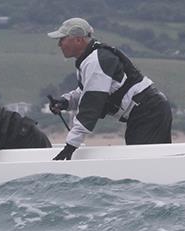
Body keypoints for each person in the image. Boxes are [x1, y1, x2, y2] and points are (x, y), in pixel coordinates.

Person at [47, 17, 173, 160]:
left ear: (78, 39)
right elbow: (85, 92)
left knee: (143, 164)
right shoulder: (91, 58)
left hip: (148, 111)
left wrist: (71, 145)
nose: (59, 44)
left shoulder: (95, 61)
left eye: (62, 39)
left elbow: (91, 106)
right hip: (149, 109)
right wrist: (65, 102)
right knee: (148, 163)